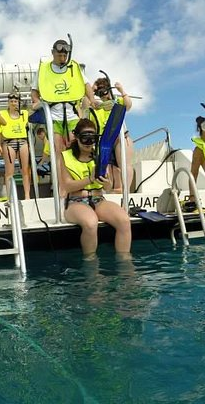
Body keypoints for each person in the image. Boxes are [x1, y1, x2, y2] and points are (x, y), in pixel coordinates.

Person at [60, 119, 132, 259]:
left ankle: (125, 265)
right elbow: (67, 186)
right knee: (91, 223)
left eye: (92, 139)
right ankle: (91, 265)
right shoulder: (66, 156)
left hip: (99, 199)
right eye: (85, 138)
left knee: (124, 220)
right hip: (76, 201)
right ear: (77, 137)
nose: (89, 142)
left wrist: (105, 182)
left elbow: (109, 187)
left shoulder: (100, 155)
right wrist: (89, 179)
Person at [30, 38, 97, 157]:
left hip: (72, 115)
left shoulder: (74, 67)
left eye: (64, 55)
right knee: (58, 151)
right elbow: (35, 91)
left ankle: (75, 174)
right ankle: (60, 175)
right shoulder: (43, 69)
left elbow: (86, 85)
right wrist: (36, 102)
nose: (62, 58)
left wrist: (92, 100)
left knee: (74, 147)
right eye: (59, 55)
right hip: (54, 116)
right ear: (53, 52)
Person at [90, 77, 134, 192]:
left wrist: (121, 91)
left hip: (120, 136)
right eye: (99, 91)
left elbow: (128, 105)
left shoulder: (117, 101)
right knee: (107, 167)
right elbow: (85, 103)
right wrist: (92, 89)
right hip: (105, 139)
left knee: (125, 165)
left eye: (104, 90)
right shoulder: (96, 106)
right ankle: (111, 189)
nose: (103, 94)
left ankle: (126, 190)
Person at [0, 93, 32, 199]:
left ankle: (27, 195)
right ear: (8, 102)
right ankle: (10, 196)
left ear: (18, 102)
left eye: (15, 101)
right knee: (9, 171)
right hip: (8, 142)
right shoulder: (2, 113)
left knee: (25, 170)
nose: (13, 103)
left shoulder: (24, 113)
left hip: (22, 141)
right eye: (11, 101)